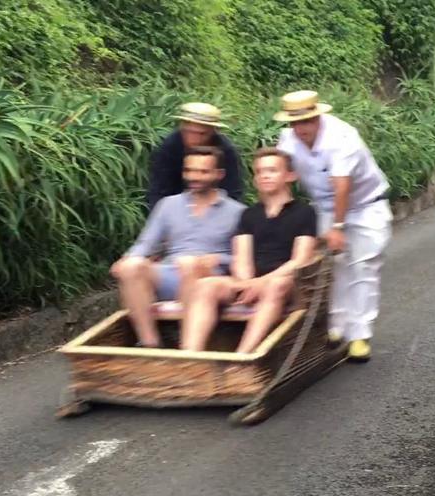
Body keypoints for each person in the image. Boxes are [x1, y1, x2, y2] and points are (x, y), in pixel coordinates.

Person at [274, 90, 390, 362]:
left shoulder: (341, 137)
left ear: (318, 117)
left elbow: (342, 186)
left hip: (365, 207)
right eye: (295, 122)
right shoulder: (288, 140)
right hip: (325, 207)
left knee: (363, 266)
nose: (301, 128)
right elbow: (282, 175)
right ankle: (336, 327)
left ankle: (359, 335)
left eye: (306, 121)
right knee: (332, 267)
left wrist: (337, 227)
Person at [181, 149, 319, 354]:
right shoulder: (248, 214)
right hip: (248, 282)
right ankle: (190, 356)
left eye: (272, 170)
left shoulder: (304, 212)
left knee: (277, 285)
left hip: (285, 282)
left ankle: (243, 356)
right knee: (205, 285)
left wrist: (259, 283)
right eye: (260, 171)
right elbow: (242, 258)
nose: (264, 176)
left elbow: (299, 260)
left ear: (290, 175)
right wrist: (246, 283)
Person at [110, 147, 243, 348]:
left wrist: (219, 259)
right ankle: (150, 343)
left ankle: (188, 343)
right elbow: (146, 244)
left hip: (208, 275)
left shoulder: (237, 212)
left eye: (203, 172)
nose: (194, 177)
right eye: (189, 170)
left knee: (189, 264)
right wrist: (127, 259)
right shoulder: (168, 205)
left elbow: (245, 259)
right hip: (169, 273)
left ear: (219, 174)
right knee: (131, 267)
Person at [145, 102, 245, 210]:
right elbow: (159, 188)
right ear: (182, 127)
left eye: (201, 134)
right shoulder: (170, 146)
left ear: (213, 131)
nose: (194, 139)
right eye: (189, 132)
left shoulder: (225, 151)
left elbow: (233, 190)